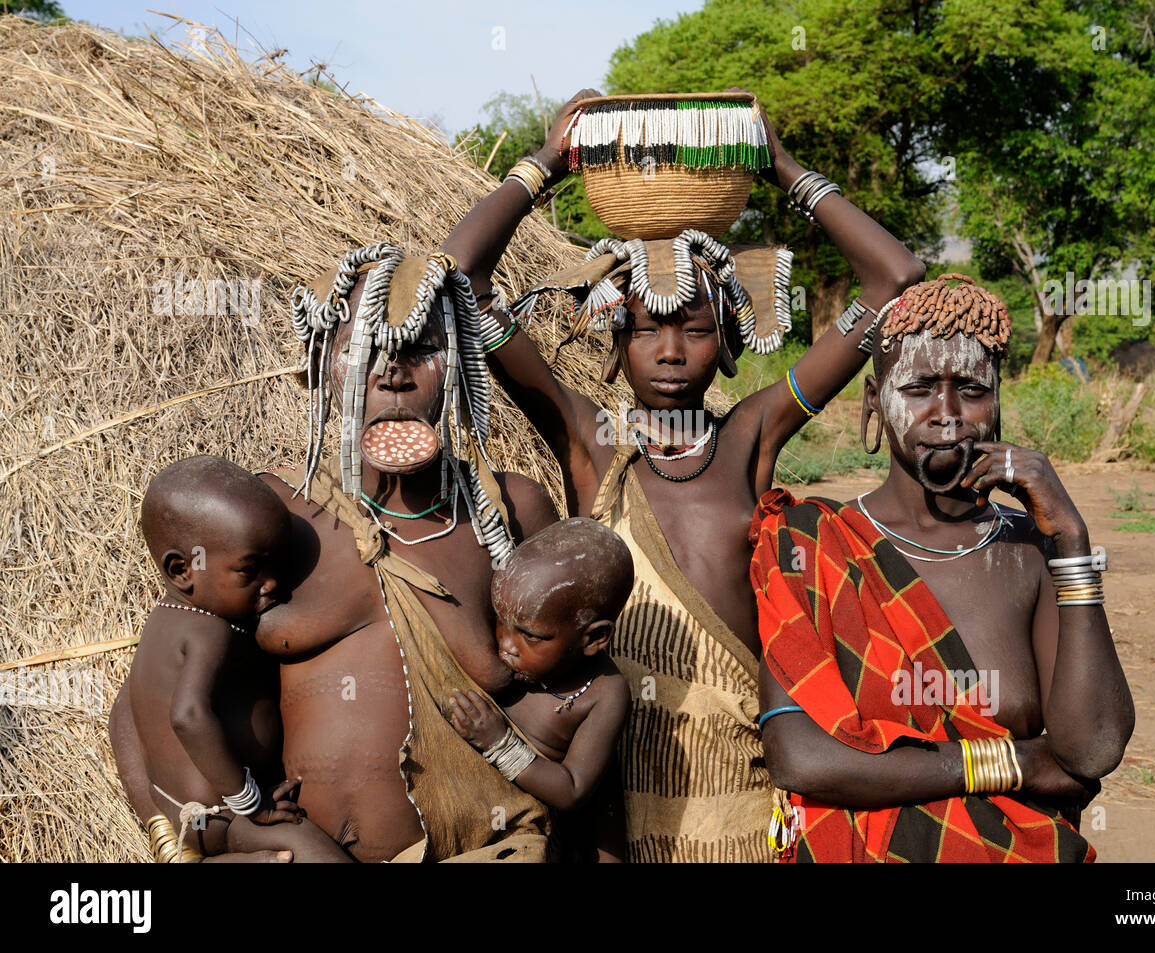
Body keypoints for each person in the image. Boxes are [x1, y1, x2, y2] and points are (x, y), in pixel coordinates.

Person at [440, 89, 926, 861]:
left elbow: (895, 280)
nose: (670, 352)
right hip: (611, 816)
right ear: (613, 345)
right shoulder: (589, 444)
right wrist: (546, 164)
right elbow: (460, 277)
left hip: (743, 806)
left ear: (728, 341)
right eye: (644, 331)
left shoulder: (749, 439)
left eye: (696, 330)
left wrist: (780, 167)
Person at [114, 246, 562, 862]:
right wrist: (174, 837)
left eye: (420, 349)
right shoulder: (272, 518)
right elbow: (151, 692)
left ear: (458, 364)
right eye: (360, 350)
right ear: (321, 369)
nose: (391, 374)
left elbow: (584, 699)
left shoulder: (507, 514)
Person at [749, 274, 1135, 862]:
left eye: (973, 389)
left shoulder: (1031, 551)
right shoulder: (811, 547)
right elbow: (803, 759)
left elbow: (1091, 752)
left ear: (998, 401)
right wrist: (1016, 762)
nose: (948, 412)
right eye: (921, 386)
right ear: (874, 402)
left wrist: (1074, 543)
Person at [112, 455, 346, 862]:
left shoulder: (168, 620)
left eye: (276, 565)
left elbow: (127, 708)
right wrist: (251, 802)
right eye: (250, 569)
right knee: (308, 847)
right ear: (182, 570)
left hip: (186, 810)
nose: (272, 583)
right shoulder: (210, 632)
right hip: (217, 818)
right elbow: (188, 716)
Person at [448, 517, 633, 860]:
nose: (507, 645)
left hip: (538, 841)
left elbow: (573, 790)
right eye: (501, 623)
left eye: (530, 636)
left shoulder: (604, 693)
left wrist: (500, 744)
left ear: (593, 638)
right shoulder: (505, 652)